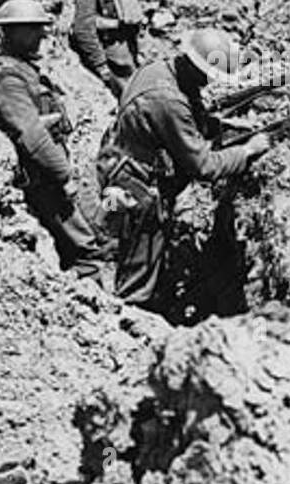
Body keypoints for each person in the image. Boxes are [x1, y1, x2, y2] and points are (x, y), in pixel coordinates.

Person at [97, 27, 271, 313]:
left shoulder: (159, 70)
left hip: (121, 162)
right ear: (193, 65)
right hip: (137, 185)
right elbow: (203, 166)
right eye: (207, 74)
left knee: (140, 249)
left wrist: (220, 125)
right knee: (138, 264)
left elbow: (184, 115)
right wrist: (247, 151)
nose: (208, 81)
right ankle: (130, 322)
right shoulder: (168, 100)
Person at [0, 0, 104, 280]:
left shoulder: (23, 67)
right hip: (39, 171)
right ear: (10, 32)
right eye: (33, 28)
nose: (42, 34)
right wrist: (63, 174)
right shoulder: (6, 76)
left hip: (47, 165)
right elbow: (31, 134)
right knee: (85, 243)